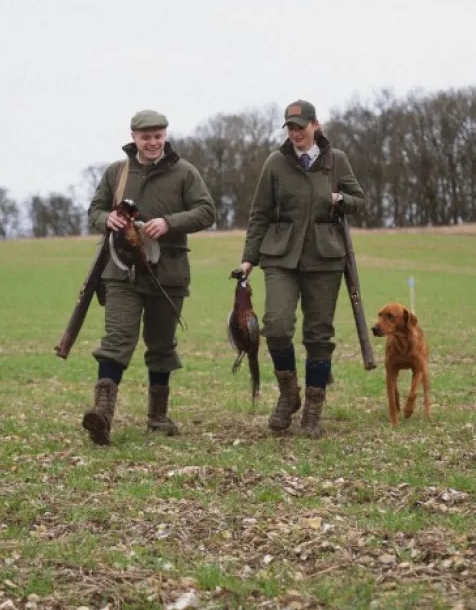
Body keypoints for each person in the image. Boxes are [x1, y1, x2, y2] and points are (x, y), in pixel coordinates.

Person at [82, 109, 215, 445]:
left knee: (161, 344)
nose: (153, 142)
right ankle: (102, 414)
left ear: (165, 136)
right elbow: (95, 209)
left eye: (158, 136)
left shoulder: (185, 172)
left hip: (167, 273)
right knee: (117, 340)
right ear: (134, 137)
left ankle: (157, 416)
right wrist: (106, 220)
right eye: (146, 137)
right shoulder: (116, 172)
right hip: (120, 270)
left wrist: (169, 223)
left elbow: (206, 211)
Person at [239, 99, 365, 438]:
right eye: (291, 128)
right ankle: (288, 395)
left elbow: (360, 200)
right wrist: (249, 258)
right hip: (280, 256)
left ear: (315, 125)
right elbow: (259, 214)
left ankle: (312, 410)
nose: (296, 133)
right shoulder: (275, 163)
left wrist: (340, 200)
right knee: (277, 326)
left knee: (318, 334)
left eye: (301, 127)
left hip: (325, 258)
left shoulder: (336, 161)